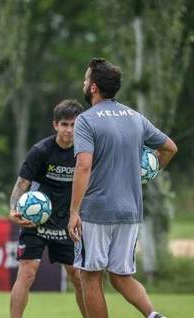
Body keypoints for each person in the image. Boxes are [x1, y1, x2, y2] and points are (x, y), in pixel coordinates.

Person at [68, 58, 178, 318]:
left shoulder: (85, 120)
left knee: (90, 276)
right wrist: (146, 175)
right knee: (121, 275)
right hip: (130, 210)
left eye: (86, 80)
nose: (83, 84)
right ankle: (153, 316)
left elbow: (83, 166)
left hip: (96, 211)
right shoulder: (135, 117)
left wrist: (73, 212)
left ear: (93, 87)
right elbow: (170, 148)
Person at [8, 100, 87, 318]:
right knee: (27, 273)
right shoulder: (41, 150)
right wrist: (13, 208)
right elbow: (22, 183)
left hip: (67, 222)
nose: (69, 130)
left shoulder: (85, 152)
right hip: (36, 219)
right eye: (64, 124)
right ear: (55, 125)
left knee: (78, 276)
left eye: (74, 125)